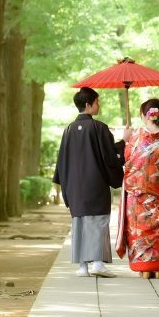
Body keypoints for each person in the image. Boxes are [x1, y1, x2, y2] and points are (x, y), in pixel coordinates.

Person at [53, 87, 132, 278]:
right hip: (95, 183)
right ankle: (97, 263)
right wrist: (124, 141)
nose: (99, 105)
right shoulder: (99, 128)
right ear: (88, 105)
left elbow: (62, 160)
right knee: (97, 222)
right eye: (97, 102)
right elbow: (110, 158)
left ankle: (82, 267)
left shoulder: (69, 129)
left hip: (74, 186)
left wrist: (65, 186)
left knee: (79, 223)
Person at [115, 98, 159, 278]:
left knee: (138, 230)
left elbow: (127, 159)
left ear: (145, 116)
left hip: (137, 197)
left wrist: (126, 139)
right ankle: (157, 267)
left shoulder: (135, 139)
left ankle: (142, 267)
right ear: (158, 115)